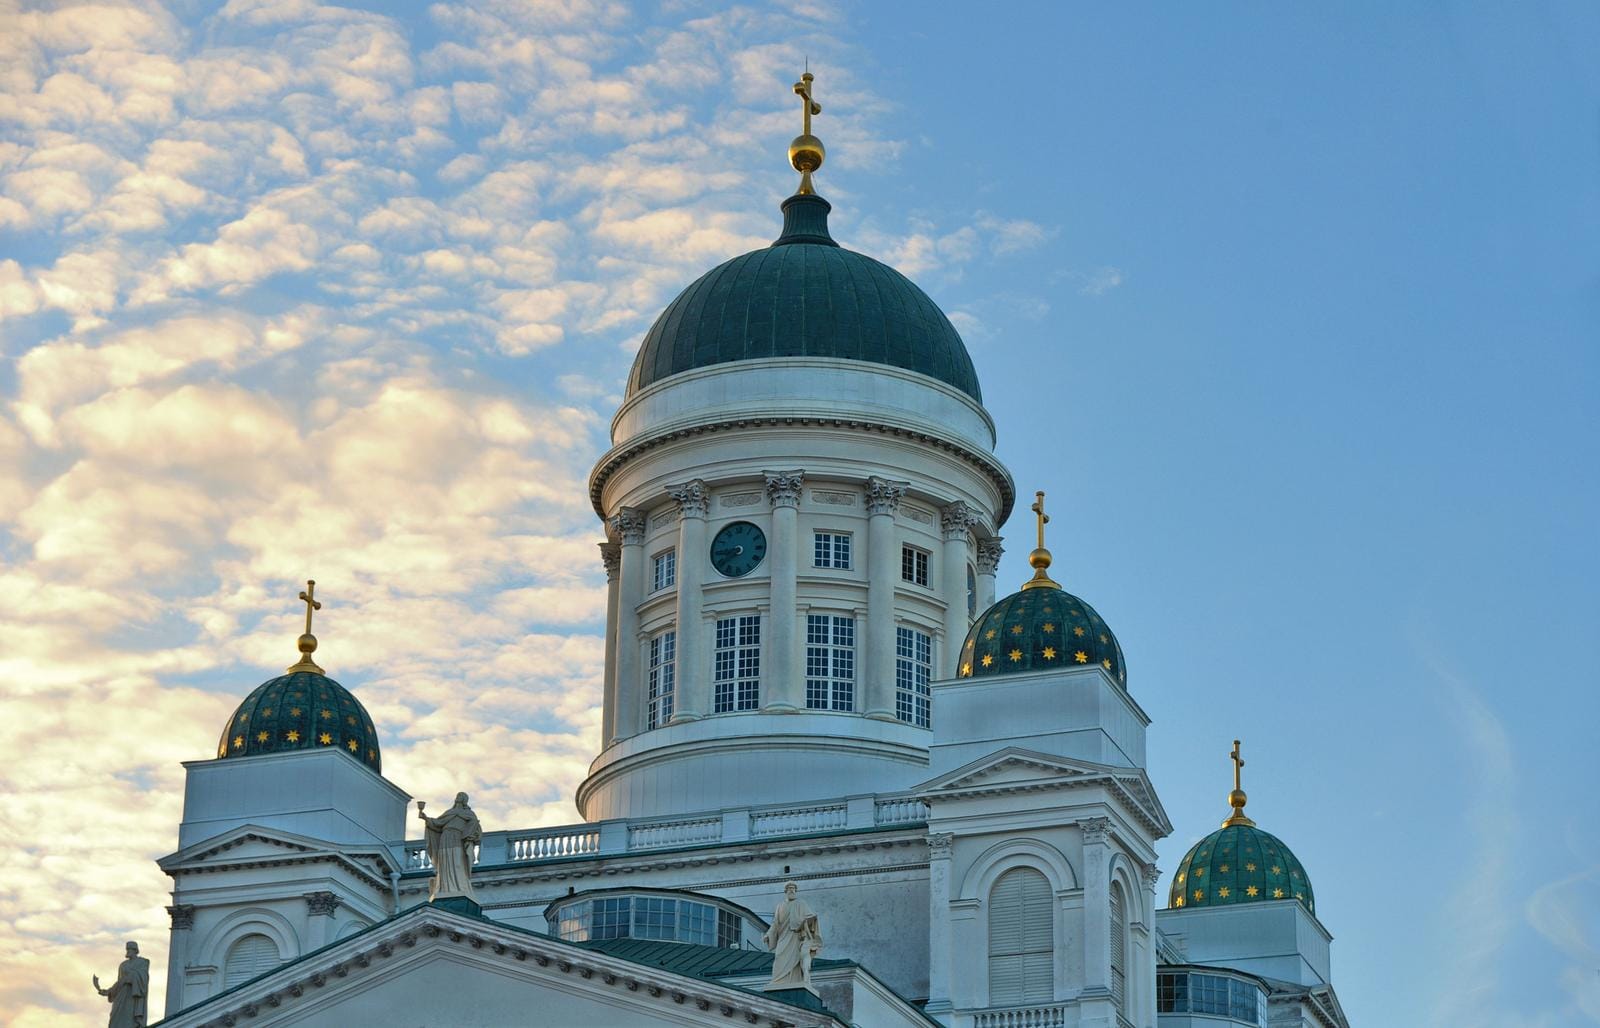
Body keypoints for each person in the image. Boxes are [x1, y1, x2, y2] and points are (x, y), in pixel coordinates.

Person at [418, 792, 482, 901]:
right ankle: (444, 887)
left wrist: (469, 835)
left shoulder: (469, 814)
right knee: (445, 862)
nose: (458, 797)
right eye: (457, 796)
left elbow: (475, 826)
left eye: (461, 796)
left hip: (458, 838)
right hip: (445, 838)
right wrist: (425, 818)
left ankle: (460, 886)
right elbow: (437, 824)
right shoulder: (449, 813)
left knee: (457, 862)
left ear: (464, 800)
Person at [762, 881, 822, 991]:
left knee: (797, 960)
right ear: (785, 891)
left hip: (796, 937)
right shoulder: (780, 906)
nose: (792, 890)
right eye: (789, 888)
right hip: (783, 937)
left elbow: (810, 917)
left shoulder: (801, 903)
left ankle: (796, 981)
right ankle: (778, 981)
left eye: (794, 888)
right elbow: (775, 923)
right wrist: (768, 935)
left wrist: (809, 920)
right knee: (779, 957)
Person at [93, 941, 149, 1028]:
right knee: (114, 1018)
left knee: (129, 1019)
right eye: (127, 949)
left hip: (133, 997)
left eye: (129, 949)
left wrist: (131, 976)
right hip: (121, 996)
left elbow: (143, 977)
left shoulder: (143, 962)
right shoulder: (123, 965)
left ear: (135, 950)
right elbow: (119, 982)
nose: (128, 951)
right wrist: (108, 991)